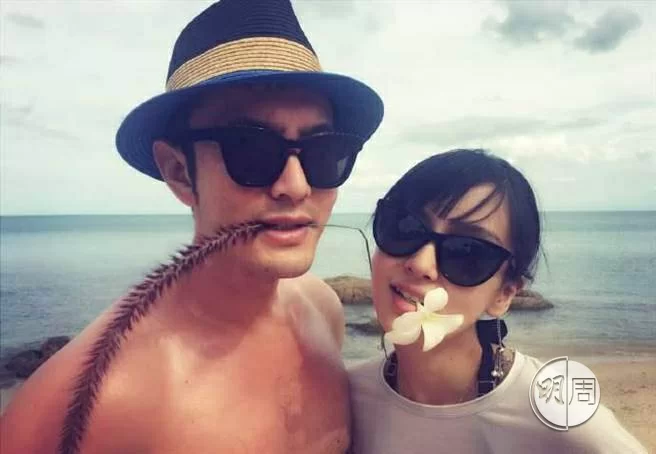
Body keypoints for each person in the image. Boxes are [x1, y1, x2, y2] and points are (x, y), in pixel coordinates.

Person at [1, 1, 383, 453]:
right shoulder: (89, 402)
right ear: (179, 172)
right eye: (251, 149)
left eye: (326, 153)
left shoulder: (321, 311)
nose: (296, 186)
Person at [348, 149, 647, 453]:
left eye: (467, 252)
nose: (421, 264)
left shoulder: (555, 413)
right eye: (405, 226)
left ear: (505, 294)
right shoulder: (345, 398)